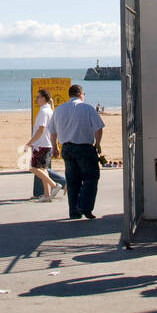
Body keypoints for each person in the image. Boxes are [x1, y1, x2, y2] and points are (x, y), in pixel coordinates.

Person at [47, 84, 103, 220]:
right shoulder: (87, 108)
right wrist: (98, 143)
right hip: (84, 147)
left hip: (67, 148)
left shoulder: (59, 109)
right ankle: (84, 206)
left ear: (69, 94)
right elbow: (99, 128)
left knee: (73, 181)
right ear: (81, 94)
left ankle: (74, 212)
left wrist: (55, 147)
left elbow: (52, 131)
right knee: (91, 178)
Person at [27, 89, 65, 201]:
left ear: (44, 98)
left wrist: (30, 143)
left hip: (41, 145)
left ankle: (54, 185)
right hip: (46, 144)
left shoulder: (44, 111)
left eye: (38, 97)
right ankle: (47, 195)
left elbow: (41, 129)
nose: (36, 99)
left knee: (32, 168)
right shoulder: (48, 110)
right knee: (43, 169)